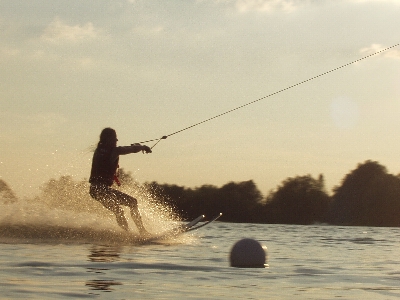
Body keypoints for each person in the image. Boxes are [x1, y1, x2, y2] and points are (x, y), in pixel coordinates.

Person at [89, 127, 152, 235]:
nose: (116, 141)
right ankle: (142, 231)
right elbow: (128, 150)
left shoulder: (98, 150)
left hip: (94, 190)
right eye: (115, 138)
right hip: (101, 189)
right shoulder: (114, 151)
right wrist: (143, 147)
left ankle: (126, 234)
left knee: (118, 211)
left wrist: (136, 146)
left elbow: (127, 148)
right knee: (133, 202)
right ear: (108, 139)